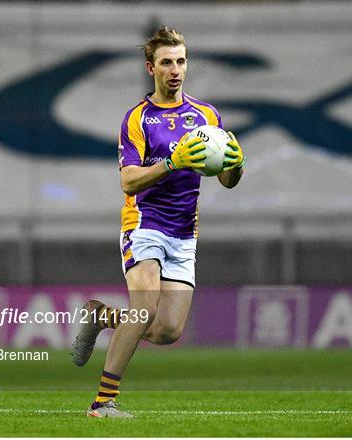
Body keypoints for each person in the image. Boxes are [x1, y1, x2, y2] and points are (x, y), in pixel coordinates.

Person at [72, 26, 246, 418]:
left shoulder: (207, 116)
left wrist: (236, 165)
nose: (176, 70)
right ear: (151, 67)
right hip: (144, 224)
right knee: (145, 304)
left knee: (167, 332)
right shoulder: (138, 118)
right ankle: (103, 403)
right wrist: (171, 163)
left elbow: (226, 180)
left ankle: (101, 316)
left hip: (184, 232)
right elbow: (127, 179)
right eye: (167, 62)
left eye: (181, 61)